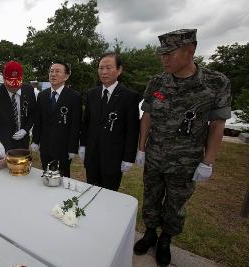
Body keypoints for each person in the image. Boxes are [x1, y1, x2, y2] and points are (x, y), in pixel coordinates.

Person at [133, 29, 231, 266]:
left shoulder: (216, 82)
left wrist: (208, 162)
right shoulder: (157, 81)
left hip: (186, 161)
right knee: (151, 197)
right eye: (161, 55)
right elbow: (147, 116)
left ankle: (166, 239)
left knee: (176, 204)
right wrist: (141, 148)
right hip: (156, 155)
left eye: (170, 53)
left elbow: (218, 124)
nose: (164, 59)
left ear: (191, 50)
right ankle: (149, 233)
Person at [79, 53, 140, 191]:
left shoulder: (129, 96)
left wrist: (128, 157)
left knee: (110, 194)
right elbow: (86, 123)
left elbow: (132, 130)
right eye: (101, 68)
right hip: (92, 155)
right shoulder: (91, 94)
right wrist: (83, 145)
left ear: (119, 70)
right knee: (91, 191)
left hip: (114, 157)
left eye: (108, 67)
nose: (104, 72)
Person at [31, 62, 81, 178]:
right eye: (51, 71)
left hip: (63, 148)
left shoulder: (74, 97)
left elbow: (75, 125)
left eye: (57, 71)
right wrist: (35, 141)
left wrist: (73, 148)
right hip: (45, 146)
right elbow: (38, 121)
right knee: (46, 174)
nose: (53, 74)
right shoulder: (42, 95)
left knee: (62, 177)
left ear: (66, 76)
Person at [0, 60, 36, 158]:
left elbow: (33, 113)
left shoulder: (29, 90)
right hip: (5, 140)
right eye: (10, 87)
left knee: (22, 165)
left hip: (23, 140)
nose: (14, 89)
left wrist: (25, 130)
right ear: (4, 79)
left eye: (17, 87)